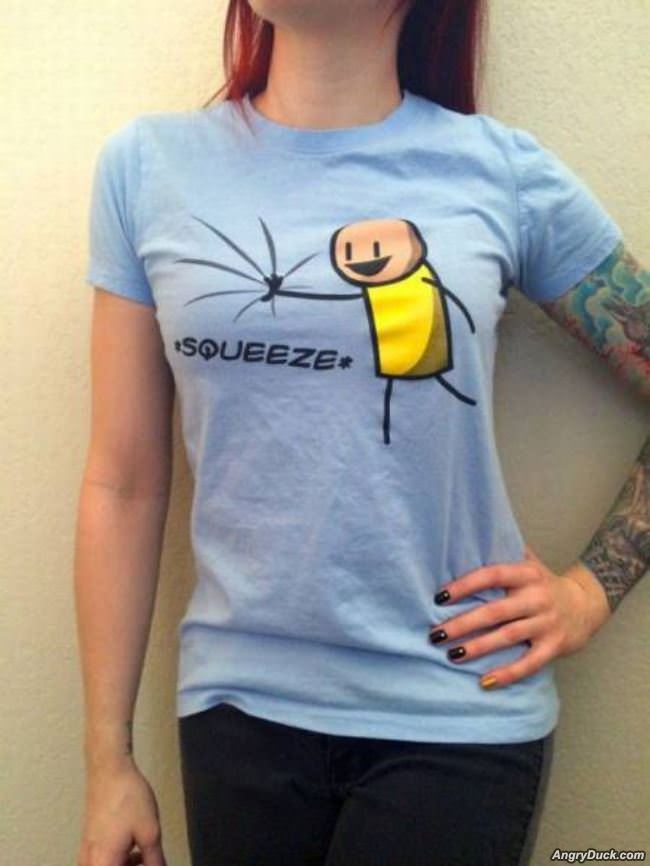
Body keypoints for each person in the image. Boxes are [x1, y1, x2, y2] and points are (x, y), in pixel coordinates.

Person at [74, 1, 650, 865]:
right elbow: (123, 483)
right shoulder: (148, 168)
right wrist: (107, 760)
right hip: (237, 714)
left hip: (455, 720)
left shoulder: (498, 173)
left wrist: (588, 593)